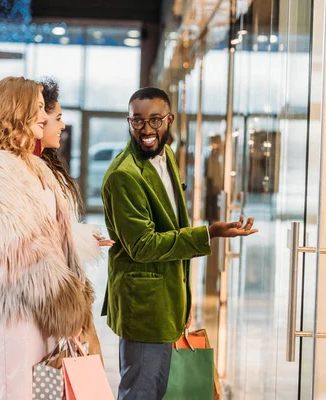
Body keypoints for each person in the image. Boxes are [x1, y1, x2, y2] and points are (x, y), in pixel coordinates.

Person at [101, 87, 258, 399]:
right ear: (129, 121)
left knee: (156, 390)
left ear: (169, 119)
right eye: (137, 121)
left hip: (166, 297)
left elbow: (170, 225)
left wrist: (181, 299)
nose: (146, 129)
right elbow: (144, 246)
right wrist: (208, 233)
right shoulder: (123, 175)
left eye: (155, 120)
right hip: (144, 305)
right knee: (140, 392)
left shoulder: (167, 155)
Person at [0, 76, 95, 400]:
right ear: (17, 111)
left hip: (45, 307)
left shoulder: (32, 166)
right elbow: (19, 249)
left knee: (45, 391)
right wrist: (68, 304)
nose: (44, 115)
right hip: (18, 310)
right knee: (19, 392)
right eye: (37, 107)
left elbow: (51, 233)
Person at [38, 77, 114, 360]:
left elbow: (57, 230)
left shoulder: (46, 165)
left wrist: (83, 237)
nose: (63, 125)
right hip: (51, 300)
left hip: (65, 296)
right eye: (57, 118)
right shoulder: (21, 172)